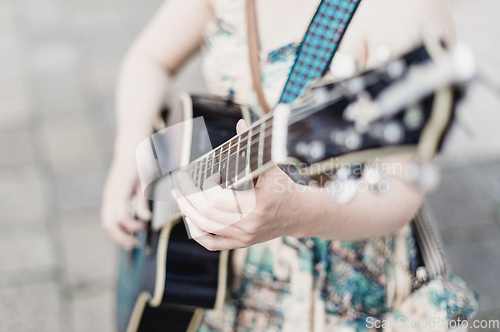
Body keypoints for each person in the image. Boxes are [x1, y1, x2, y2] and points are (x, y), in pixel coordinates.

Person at [101, 0, 460, 330]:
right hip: (212, 272)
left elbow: (400, 193)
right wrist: (127, 152)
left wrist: (298, 213)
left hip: (332, 286)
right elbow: (150, 58)